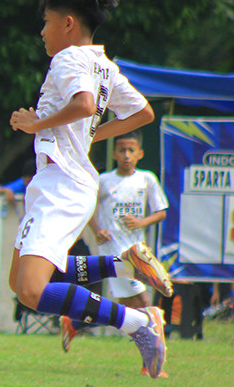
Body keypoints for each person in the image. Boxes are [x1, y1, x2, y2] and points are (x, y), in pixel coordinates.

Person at [8, 0, 171, 378]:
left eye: (46, 21)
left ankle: (140, 322)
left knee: (31, 289)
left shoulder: (68, 58)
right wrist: (89, 138)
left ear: (68, 24)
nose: (42, 31)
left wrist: (36, 125)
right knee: (22, 281)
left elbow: (82, 106)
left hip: (61, 184)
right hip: (63, 181)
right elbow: (142, 114)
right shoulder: (102, 64)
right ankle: (123, 264)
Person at [61, 132, 169, 367]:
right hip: (113, 251)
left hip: (138, 251)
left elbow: (161, 211)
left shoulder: (146, 179)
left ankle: (75, 323)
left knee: (126, 308)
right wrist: (98, 229)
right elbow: (87, 208)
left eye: (131, 150)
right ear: (114, 153)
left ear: (140, 153)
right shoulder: (105, 180)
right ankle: (150, 362)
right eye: (122, 150)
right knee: (142, 304)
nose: (126, 155)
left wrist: (141, 222)